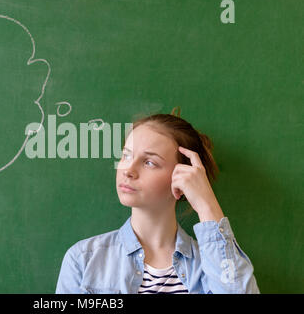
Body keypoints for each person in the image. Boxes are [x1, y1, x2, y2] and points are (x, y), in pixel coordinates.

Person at [56, 107, 260, 294]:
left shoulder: (209, 265)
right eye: (126, 156)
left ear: (182, 178)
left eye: (149, 162)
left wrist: (207, 204)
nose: (128, 170)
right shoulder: (84, 259)